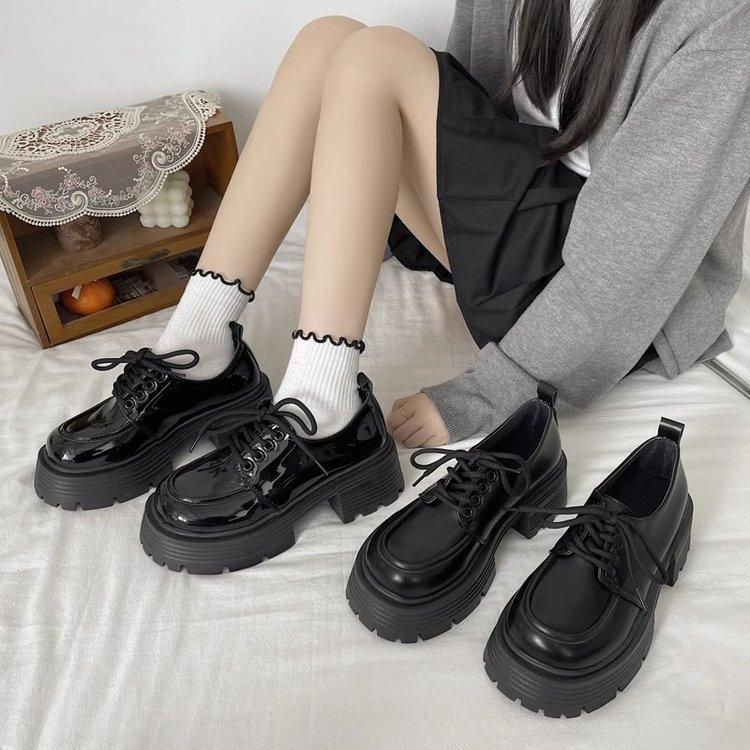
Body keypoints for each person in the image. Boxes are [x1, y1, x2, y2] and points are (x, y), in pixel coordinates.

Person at [37, 1, 749, 518]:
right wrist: (362, 207)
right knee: (330, 40)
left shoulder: (723, 19)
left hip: (601, 296)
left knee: (376, 57)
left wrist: (490, 391)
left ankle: (325, 406)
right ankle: (201, 348)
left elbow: (635, 258)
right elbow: (469, 112)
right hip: (516, 229)